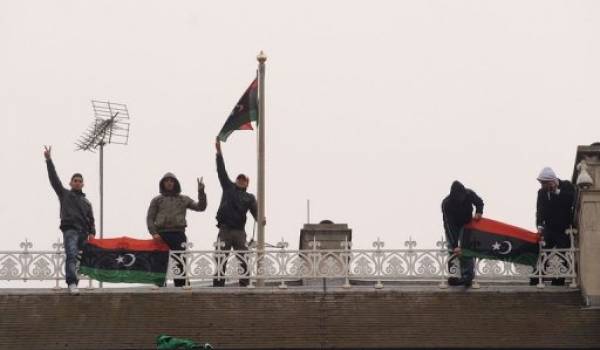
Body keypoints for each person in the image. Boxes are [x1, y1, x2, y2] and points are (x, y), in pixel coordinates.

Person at [44, 146, 96, 295]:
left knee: (85, 257)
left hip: (84, 232)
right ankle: (72, 283)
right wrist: (49, 160)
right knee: (71, 254)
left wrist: (92, 232)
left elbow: (91, 219)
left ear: (83, 184)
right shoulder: (65, 194)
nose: (78, 182)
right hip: (71, 229)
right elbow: (54, 180)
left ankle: (84, 279)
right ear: (71, 183)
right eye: (75, 180)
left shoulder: (87, 202)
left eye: (80, 181)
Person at [147, 173, 207, 287]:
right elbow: (150, 218)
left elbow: (201, 207)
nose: (169, 183)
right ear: (163, 183)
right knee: (160, 263)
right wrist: (154, 233)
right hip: (161, 235)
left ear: (175, 183)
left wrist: (201, 192)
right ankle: (159, 288)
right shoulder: (157, 200)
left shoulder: (183, 199)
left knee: (180, 263)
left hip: (178, 234)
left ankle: (182, 288)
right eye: (166, 181)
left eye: (171, 180)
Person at [213, 138, 258, 287]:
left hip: (239, 231)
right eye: (239, 178)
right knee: (221, 257)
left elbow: (256, 212)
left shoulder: (249, 197)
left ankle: (245, 283)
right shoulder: (228, 187)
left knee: (244, 257)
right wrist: (219, 153)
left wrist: (261, 219)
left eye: (243, 179)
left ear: (247, 183)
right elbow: (221, 171)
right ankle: (218, 284)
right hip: (225, 228)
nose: (240, 180)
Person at [533, 167, 576, 286]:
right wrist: (540, 226)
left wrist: (557, 192)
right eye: (541, 183)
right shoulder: (541, 192)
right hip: (549, 228)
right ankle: (536, 279)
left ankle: (558, 281)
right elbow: (539, 210)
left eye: (544, 183)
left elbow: (573, 199)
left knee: (563, 254)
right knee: (543, 252)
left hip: (564, 228)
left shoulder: (566, 185)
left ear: (551, 181)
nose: (542, 185)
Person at [441, 180, 484, 288]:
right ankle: (454, 276)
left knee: (466, 248)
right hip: (453, 226)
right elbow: (448, 225)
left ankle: (467, 276)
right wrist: (455, 245)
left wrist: (479, 212)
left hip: (467, 224)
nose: (462, 199)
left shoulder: (469, 193)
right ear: (454, 196)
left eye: (463, 196)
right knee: (453, 249)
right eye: (459, 197)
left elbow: (479, 202)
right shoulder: (446, 204)